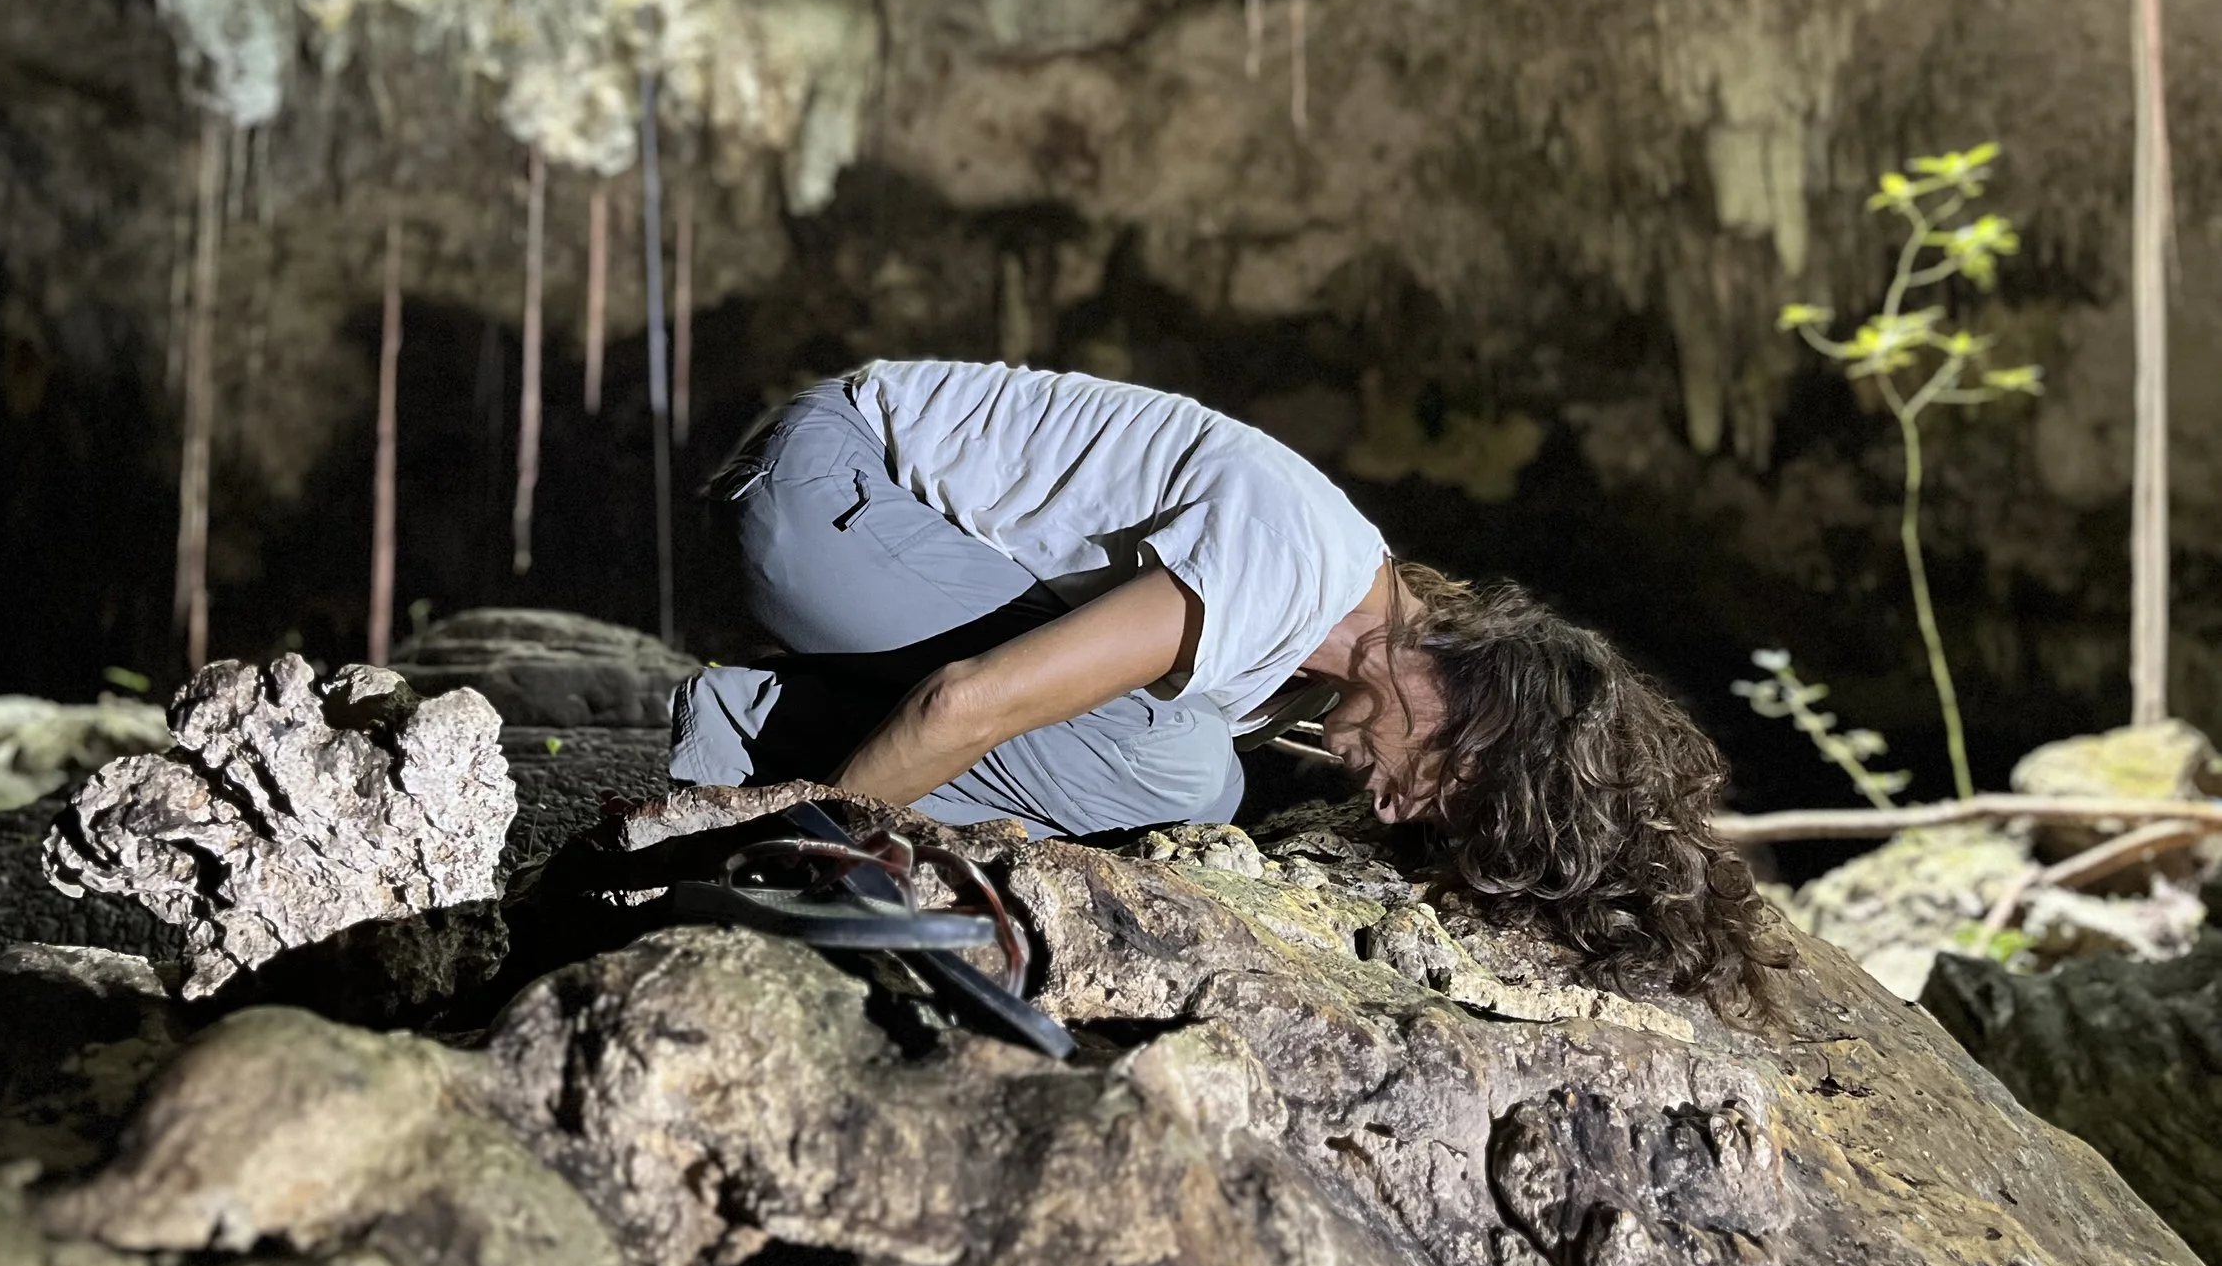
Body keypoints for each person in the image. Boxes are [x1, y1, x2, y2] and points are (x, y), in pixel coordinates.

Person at [671, 359, 1791, 1018]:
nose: (1397, 808)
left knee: (1176, 760)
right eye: (1441, 779)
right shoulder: (1292, 566)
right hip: (828, 482)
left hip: (857, 523)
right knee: (1178, 769)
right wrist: (827, 887)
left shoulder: (1312, 657)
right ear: (1472, 693)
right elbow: (964, 705)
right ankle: (760, 754)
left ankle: (761, 727)